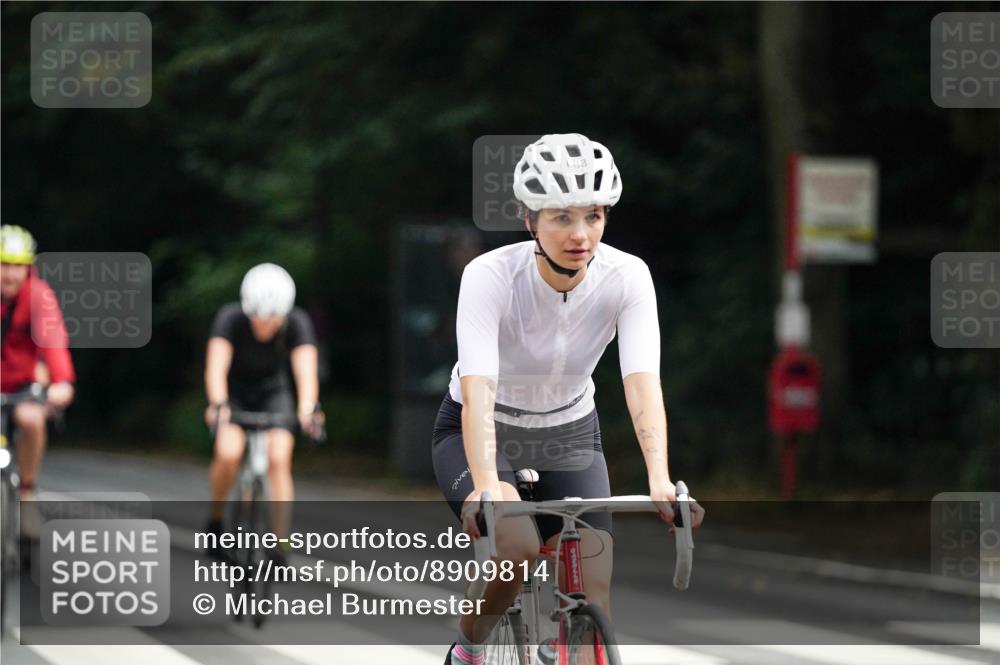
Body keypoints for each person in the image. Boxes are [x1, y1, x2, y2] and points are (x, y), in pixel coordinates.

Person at [432, 134, 705, 664]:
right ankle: (469, 648)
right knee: (516, 548)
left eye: (594, 216)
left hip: (570, 431)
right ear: (529, 219)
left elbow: (640, 380)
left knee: (592, 594)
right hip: (485, 427)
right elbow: (478, 389)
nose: (581, 234)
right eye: (561, 217)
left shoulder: (627, 276)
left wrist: (659, 477)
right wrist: (487, 485)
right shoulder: (489, 276)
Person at [204, 263, 323, 554]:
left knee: (279, 457)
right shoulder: (230, 318)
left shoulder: (297, 321)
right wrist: (218, 403)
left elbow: (306, 372)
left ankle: (280, 543)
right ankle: (216, 521)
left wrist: (308, 408)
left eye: (272, 319)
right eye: (257, 317)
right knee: (228, 452)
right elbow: (216, 367)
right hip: (234, 394)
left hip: (273, 392)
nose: (264, 324)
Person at [0, 225, 75, 501]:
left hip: (22, 383)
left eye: (18, 266)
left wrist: (62, 381)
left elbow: (53, 340)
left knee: (32, 420)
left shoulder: (38, 296)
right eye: (4, 265)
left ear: (28, 268)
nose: (10, 274)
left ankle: (27, 491)